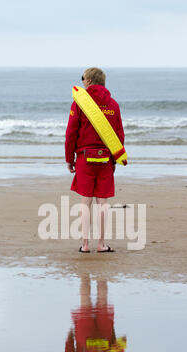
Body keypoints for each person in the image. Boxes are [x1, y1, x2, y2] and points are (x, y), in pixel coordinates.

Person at [65, 67, 125, 253]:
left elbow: (71, 133)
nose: (82, 81)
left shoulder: (80, 103)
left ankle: (85, 245)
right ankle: (101, 244)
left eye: (83, 78)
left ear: (89, 81)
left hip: (84, 158)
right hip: (105, 159)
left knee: (86, 202)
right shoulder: (113, 105)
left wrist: (69, 159)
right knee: (103, 203)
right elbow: (119, 135)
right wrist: (116, 159)